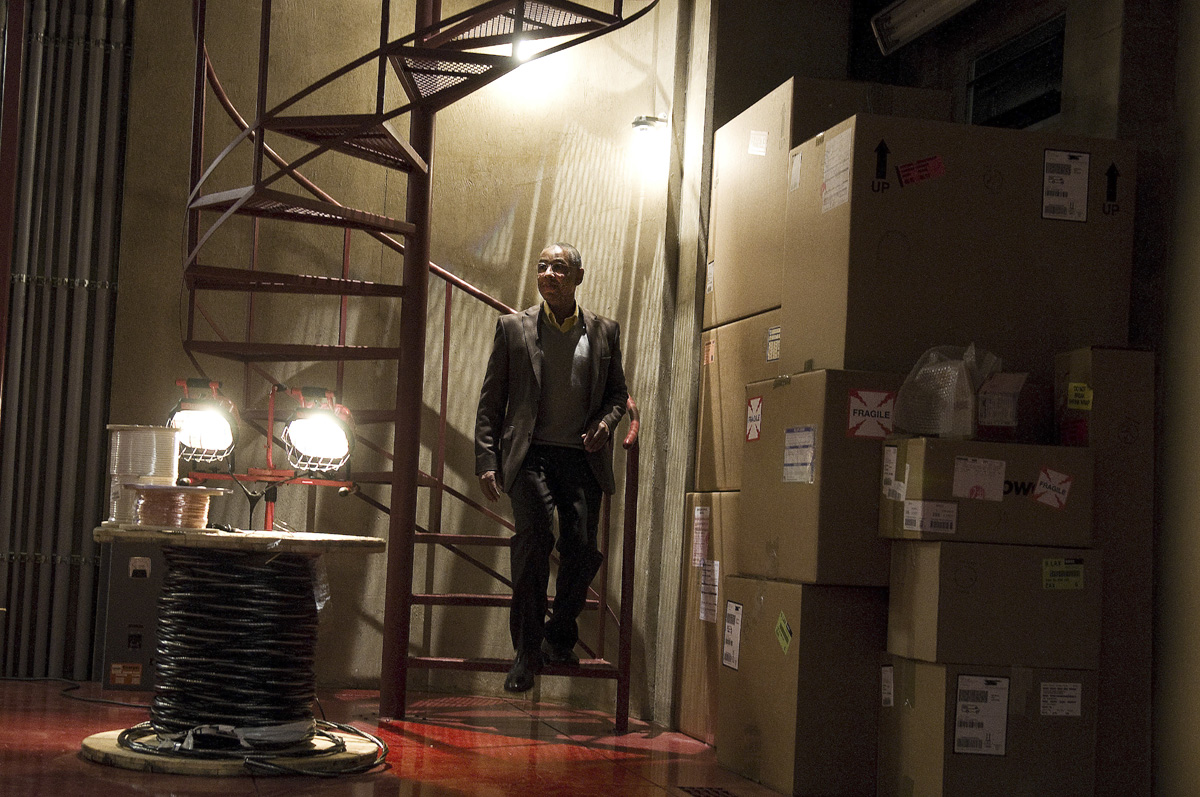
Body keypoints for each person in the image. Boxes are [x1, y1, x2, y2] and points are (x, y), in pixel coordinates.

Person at [474, 242, 629, 693]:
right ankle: (526, 652)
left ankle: (559, 635)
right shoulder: (513, 328)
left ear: (578, 276)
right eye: (542, 266)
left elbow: (618, 394)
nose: (548, 274)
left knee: (581, 549)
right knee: (534, 541)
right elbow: (491, 401)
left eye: (559, 267)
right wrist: (487, 459)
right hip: (530, 456)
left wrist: (607, 424)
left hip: (581, 457)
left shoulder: (604, 331)